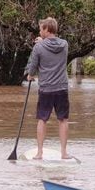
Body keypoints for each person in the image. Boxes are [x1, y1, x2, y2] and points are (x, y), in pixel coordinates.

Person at [25, 17, 71, 159]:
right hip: (62, 88)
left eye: (41, 29)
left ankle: (40, 153)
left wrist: (30, 76)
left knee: (42, 119)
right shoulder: (64, 44)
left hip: (46, 89)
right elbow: (51, 47)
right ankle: (64, 153)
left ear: (46, 29)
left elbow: (33, 67)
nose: (39, 31)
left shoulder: (38, 47)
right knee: (63, 120)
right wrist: (42, 42)